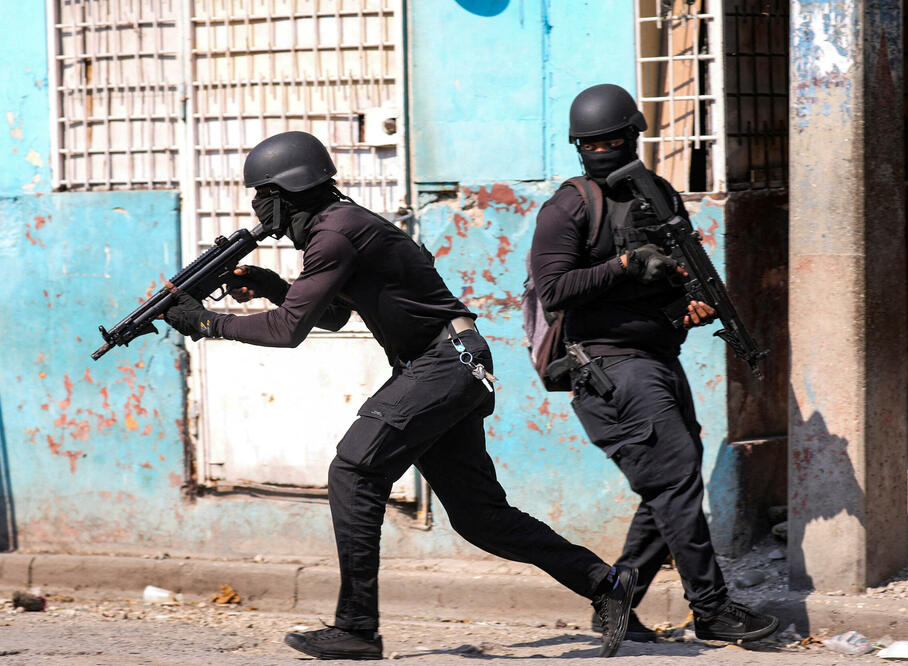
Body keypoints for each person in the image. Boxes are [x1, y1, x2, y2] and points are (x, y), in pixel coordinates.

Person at [161, 130, 639, 660]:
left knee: (354, 471)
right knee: (480, 518)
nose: (259, 212)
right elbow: (336, 314)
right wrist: (274, 284)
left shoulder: (335, 234)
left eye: (261, 198)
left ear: (282, 195)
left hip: (446, 363)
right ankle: (604, 583)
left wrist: (206, 321)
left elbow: (287, 330)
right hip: (451, 362)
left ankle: (357, 627)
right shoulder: (341, 224)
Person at [529, 84, 780, 643]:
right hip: (606, 365)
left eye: (613, 139)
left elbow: (673, 281)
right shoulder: (569, 206)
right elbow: (554, 290)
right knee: (674, 479)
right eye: (593, 143)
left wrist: (684, 308)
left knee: (673, 478)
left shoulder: (658, 196)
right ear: (577, 146)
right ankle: (711, 608)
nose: (604, 149)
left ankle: (616, 600)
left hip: (657, 357)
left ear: (634, 136)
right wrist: (623, 264)